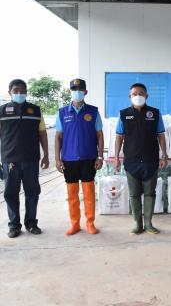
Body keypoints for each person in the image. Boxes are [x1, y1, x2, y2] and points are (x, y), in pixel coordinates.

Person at [115, 83, 168, 235]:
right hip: (131, 162)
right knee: (134, 194)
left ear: (146, 96)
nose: (138, 96)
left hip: (150, 161)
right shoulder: (123, 114)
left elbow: (161, 136)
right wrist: (117, 158)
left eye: (141, 93)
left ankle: (149, 224)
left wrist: (164, 155)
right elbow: (119, 137)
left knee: (150, 193)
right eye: (134, 93)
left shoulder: (155, 113)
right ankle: (138, 224)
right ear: (129, 97)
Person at [0, 79, 49, 238]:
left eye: (22, 90)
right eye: (16, 90)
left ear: (27, 92)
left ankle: (31, 223)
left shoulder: (35, 110)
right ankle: (14, 226)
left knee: (32, 192)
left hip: (31, 160)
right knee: (11, 193)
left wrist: (46, 155)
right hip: (10, 161)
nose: (19, 93)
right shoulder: (2, 111)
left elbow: (42, 134)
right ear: (9, 92)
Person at [55, 78, 104, 235]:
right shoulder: (62, 113)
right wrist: (57, 158)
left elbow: (99, 135)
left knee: (89, 193)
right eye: (74, 89)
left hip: (89, 158)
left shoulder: (93, 111)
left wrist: (100, 156)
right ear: (70, 91)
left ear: (85, 92)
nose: (77, 92)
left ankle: (90, 223)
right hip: (69, 160)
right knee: (72, 194)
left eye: (80, 89)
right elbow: (58, 137)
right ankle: (75, 224)